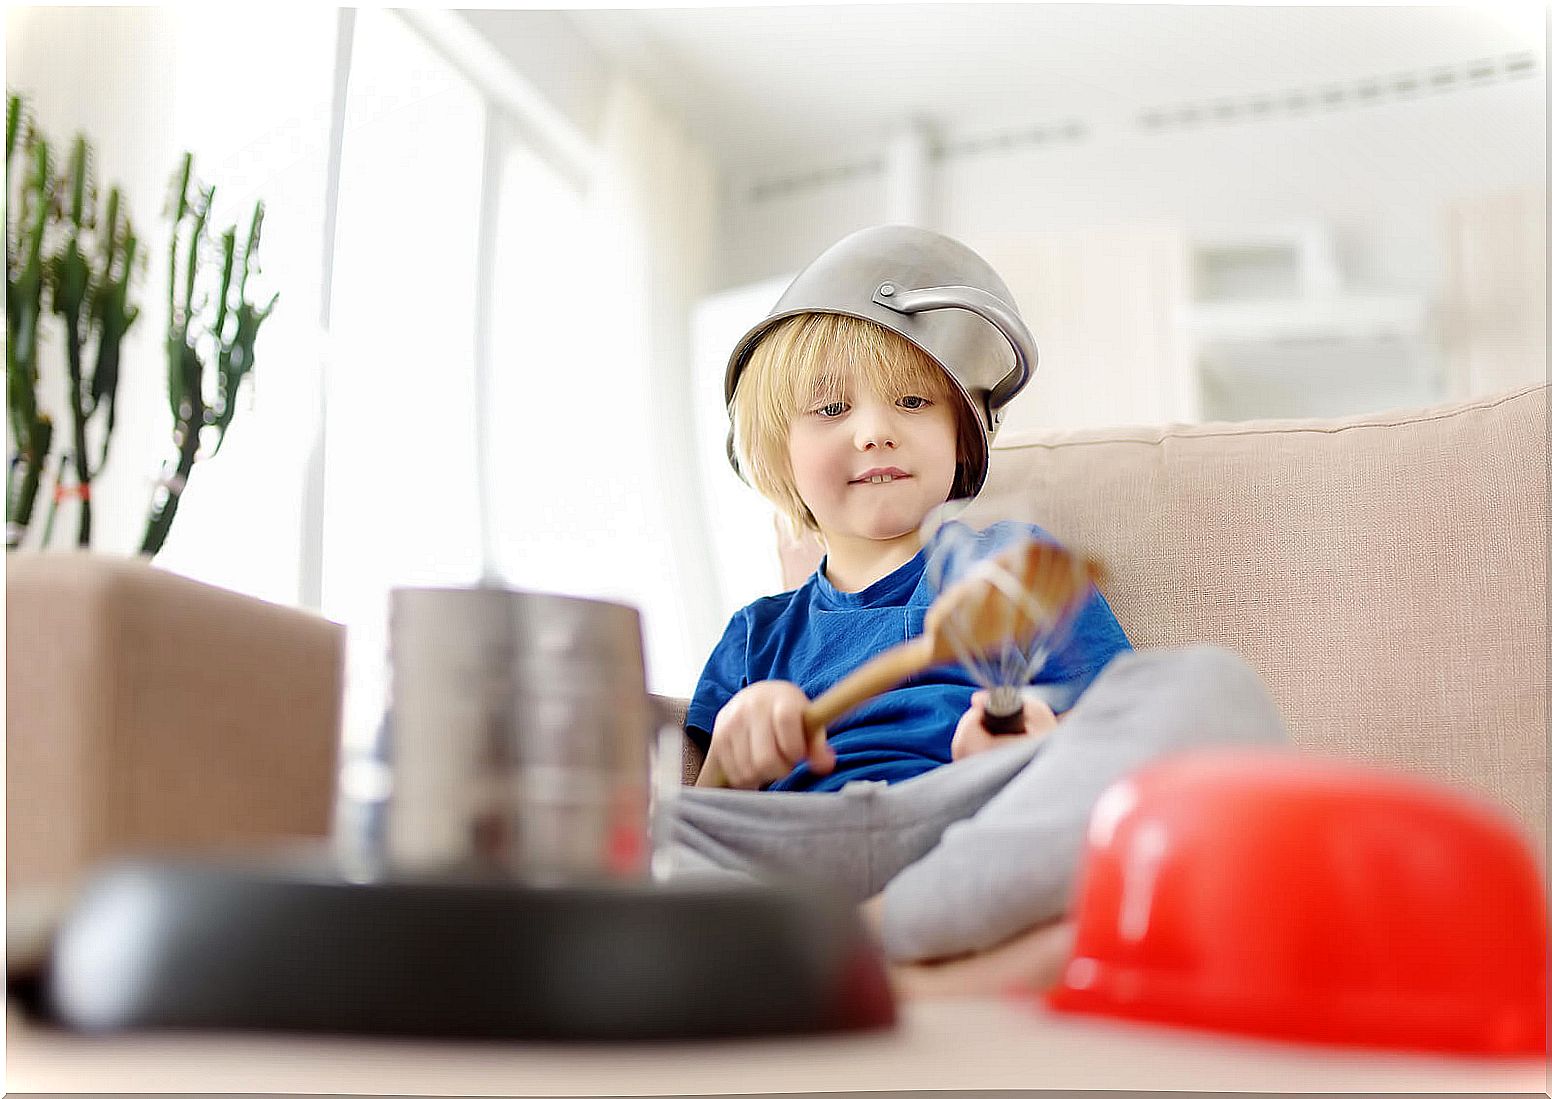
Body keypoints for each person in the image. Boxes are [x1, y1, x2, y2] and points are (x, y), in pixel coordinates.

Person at [670, 226, 1289, 996]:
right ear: (775, 450)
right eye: (830, 406)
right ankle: (954, 962)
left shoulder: (1013, 565)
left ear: (962, 433)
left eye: (911, 400)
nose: (874, 428)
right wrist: (732, 759)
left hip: (977, 826)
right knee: (628, 828)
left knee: (1211, 689)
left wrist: (1036, 742)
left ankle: (880, 938)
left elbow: (1112, 731)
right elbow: (708, 820)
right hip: (794, 852)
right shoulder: (757, 631)